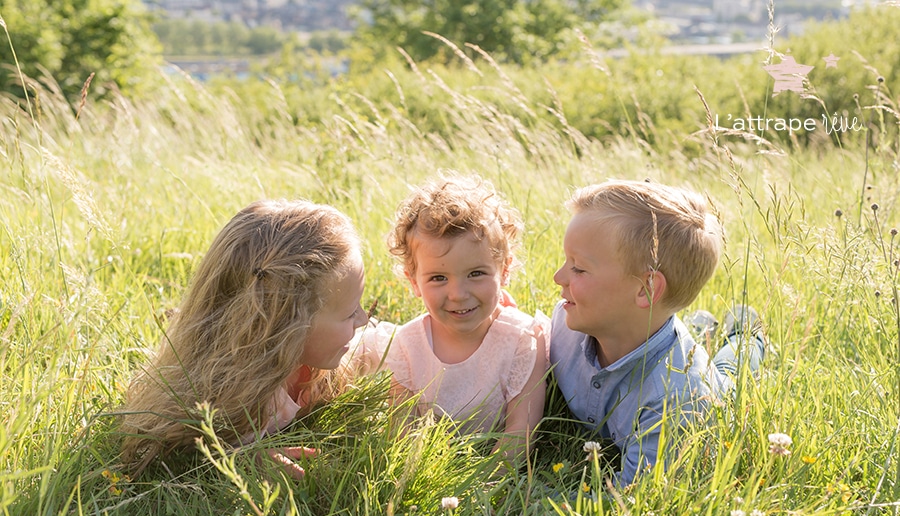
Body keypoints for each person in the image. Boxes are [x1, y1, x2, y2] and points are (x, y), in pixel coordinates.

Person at [120, 199, 368, 479]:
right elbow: (173, 460)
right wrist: (248, 461)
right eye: (350, 314)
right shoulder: (221, 399)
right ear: (289, 328)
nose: (363, 320)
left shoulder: (323, 364)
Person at [549, 180, 765, 486]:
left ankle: (746, 331)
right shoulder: (566, 324)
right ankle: (700, 325)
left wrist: (533, 505)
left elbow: (631, 499)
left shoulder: (677, 399)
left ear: (646, 288)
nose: (558, 277)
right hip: (652, 323)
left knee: (731, 369)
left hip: (716, 390)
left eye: (579, 269)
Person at [351, 173, 548, 467]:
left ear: (504, 270)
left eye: (476, 274)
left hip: (491, 472)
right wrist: (421, 479)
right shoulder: (408, 345)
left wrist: (484, 485)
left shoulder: (523, 340)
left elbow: (520, 432)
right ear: (414, 281)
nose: (457, 294)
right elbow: (401, 430)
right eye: (438, 278)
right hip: (431, 468)